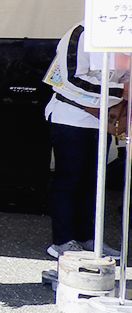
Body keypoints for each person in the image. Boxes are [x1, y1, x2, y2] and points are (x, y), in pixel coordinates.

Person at [43, 22, 126, 258]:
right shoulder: (80, 32)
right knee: (70, 179)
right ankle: (62, 240)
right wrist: (120, 91)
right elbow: (71, 78)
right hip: (71, 116)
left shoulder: (122, 35)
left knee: (94, 182)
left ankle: (89, 237)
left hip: (102, 119)